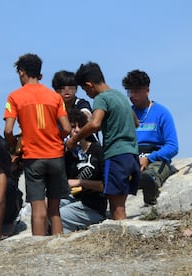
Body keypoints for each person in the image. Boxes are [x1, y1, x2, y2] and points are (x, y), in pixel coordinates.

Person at [3, 53, 72, 236]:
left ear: (22, 72)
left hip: (33, 157)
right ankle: (59, 244)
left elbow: (8, 130)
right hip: (55, 155)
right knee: (55, 209)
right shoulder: (54, 97)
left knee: (38, 208)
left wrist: (15, 144)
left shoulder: (14, 97)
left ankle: (39, 247)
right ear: (40, 74)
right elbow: (66, 127)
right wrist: (55, 137)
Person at [66, 62, 140, 220]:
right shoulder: (119, 95)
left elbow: (94, 123)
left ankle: (122, 241)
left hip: (116, 156)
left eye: (85, 90)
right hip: (132, 155)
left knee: (116, 207)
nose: (87, 94)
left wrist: (74, 139)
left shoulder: (101, 98)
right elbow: (136, 122)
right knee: (121, 202)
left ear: (89, 85)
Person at [122, 70, 179, 205]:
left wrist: (149, 158)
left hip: (154, 158)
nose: (132, 96)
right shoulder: (126, 113)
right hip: (133, 157)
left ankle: (151, 193)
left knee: (151, 175)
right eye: (130, 92)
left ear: (147, 90)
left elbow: (173, 146)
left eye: (136, 91)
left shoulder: (161, 113)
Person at [60, 109, 107, 233]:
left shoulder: (97, 150)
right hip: (74, 200)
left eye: (81, 126)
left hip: (93, 205)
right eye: (72, 127)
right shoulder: (67, 155)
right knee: (49, 208)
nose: (76, 130)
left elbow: (106, 186)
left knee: (59, 215)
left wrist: (80, 182)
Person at [52, 70, 99, 142]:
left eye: (70, 87)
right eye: (62, 88)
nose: (66, 90)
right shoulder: (53, 107)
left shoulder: (81, 103)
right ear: (56, 90)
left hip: (87, 144)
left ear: (76, 88)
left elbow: (86, 116)